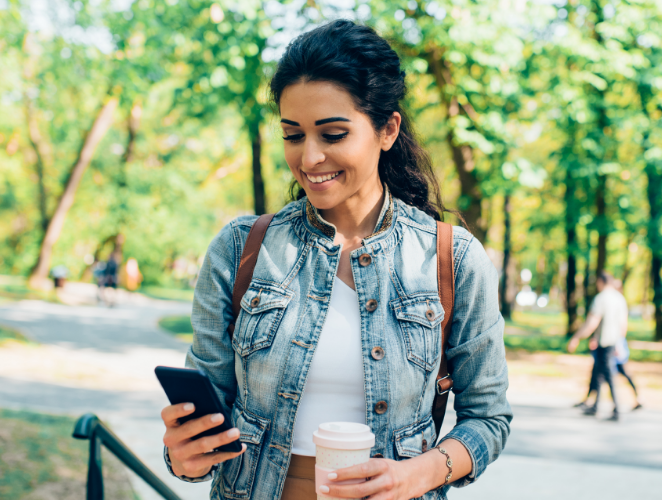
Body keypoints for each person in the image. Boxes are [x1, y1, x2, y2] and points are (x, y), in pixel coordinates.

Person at [160, 20, 511, 500]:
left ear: (387, 129)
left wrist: (421, 472)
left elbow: (488, 418)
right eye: (293, 135)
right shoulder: (241, 249)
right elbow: (203, 427)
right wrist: (184, 454)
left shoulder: (452, 259)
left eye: (333, 134)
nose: (309, 158)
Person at [567, 272, 628, 421]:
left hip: (604, 343)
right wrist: (620, 342)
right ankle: (595, 405)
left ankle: (616, 409)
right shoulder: (619, 298)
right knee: (599, 373)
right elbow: (623, 324)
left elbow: (592, 323)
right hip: (613, 342)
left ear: (601, 282)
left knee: (607, 375)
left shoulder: (601, 298)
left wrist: (576, 338)